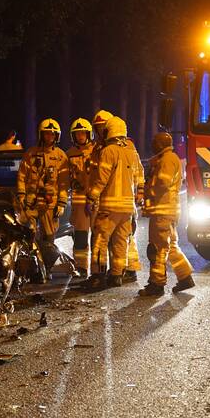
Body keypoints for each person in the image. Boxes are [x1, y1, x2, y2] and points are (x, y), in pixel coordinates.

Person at [84, 116, 139, 290]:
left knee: (100, 240)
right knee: (121, 242)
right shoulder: (131, 151)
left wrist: (92, 197)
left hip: (109, 206)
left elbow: (101, 179)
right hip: (127, 207)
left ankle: (98, 276)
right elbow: (138, 178)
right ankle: (117, 275)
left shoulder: (109, 151)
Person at [139, 132, 195, 296]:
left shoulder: (167, 160)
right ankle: (185, 277)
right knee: (170, 246)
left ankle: (157, 284)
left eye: (155, 143)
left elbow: (162, 182)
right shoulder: (168, 158)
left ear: (161, 144)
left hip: (162, 210)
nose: (153, 146)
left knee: (157, 249)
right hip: (168, 210)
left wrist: (148, 186)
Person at [16, 119, 69, 273]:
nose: (49, 137)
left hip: (50, 205)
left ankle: (47, 267)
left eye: (52, 134)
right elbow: (21, 176)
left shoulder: (61, 157)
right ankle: (29, 268)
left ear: (56, 136)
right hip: (30, 203)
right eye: (46, 134)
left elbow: (64, 183)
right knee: (28, 234)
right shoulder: (31, 154)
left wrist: (61, 203)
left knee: (49, 236)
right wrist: (21, 195)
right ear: (41, 135)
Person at [66, 118, 96, 275]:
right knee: (80, 237)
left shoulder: (97, 151)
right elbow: (65, 178)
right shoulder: (69, 154)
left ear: (88, 134)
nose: (80, 136)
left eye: (83, 133)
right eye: (77, 134)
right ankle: (81, 267)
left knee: (97, 236)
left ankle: (98, 268)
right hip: (79, 203)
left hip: (96, 201)